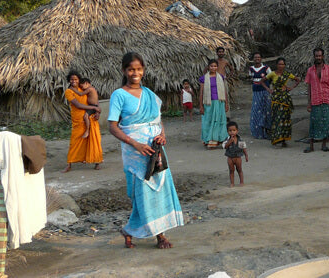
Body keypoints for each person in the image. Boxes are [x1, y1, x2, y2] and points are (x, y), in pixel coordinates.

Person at [108, 52, 183, 249]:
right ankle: (147, 233)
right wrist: (136, 144)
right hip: (135, 153)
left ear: (143, 70)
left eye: (139, 69)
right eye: (131, 69)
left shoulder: (150, 94)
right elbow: (113, 126)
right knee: (141, 193)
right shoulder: (119, 95)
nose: (135, 73)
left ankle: (157, 235)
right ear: (124, 70)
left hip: (155, 150)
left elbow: (158, 121)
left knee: (159, 191)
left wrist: (162, 136)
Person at [63, 71, 103, 172]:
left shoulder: (83, 88)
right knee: (75, 142)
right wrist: (94, 108)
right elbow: (78, 105)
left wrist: (97, 110)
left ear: (79, 80)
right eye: (72, 79)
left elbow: (94, 98)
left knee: (94, 140)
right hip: (78, 120)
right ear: (69, 80)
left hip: (91, 117)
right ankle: (69, 164)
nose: (74, 81)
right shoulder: (69, 91)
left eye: (76, 79)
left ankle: (97, 162)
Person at [304, 48, 329, 153]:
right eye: (316, 56)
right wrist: (308, 102)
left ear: (323, 56)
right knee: (313, 122)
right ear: (314, 57)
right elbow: (309, 87)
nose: (318, 57)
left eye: (320, 55)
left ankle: (324, 145)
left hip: (326, 99)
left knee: (326, 122)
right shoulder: (310, 70)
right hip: (315, 99)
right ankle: (311, 145)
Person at [264, 58, 301, 147]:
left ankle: (284, 140)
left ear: (284, 65)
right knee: (276, 118)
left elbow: (298, 80)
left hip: (285, 99)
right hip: (276, 99)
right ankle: (276, 139)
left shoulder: (287, 74)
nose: (281, 66)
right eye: (279, 64)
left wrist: (291, 87)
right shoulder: (272, 74)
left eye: (283, 64)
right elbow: (262, 81)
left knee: (285, 119)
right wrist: (269, 89)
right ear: (277, 65)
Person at [199, 59, 229, 149]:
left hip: (219, 102)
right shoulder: (204, 78)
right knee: (208, 121)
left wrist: (226, 104)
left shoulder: (221, 77)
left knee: (219, 121)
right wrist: (201, 106)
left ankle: (218, 139)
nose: (213, 68)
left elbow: (224, 91)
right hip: (208, 103)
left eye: (215, 66)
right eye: (211, 66)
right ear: (208, 67)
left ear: (217, 67)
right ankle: (209, 140)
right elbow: (201, 93)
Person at [248, 52, 272, 139]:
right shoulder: (251, 69)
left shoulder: (266, 68)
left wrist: (267, 87)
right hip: (256, 93)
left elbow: (271, 77)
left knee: (266, 110)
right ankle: (258, 132)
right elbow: (251, 79)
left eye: (259, 57)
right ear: (253, 59)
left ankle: (267, 130)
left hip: (265, 92)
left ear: (261, 58)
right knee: (256, 110)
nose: (257, 59)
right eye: (255, 57)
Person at [222, 121, 249, 187]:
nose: (232, 132)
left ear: (237, 131)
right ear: (227, 131)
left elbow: (243, 147)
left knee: (239, 170)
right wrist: (229, 142)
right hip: (230, 157)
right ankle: (232, 183)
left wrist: (246, 155)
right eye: (230, 131)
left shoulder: (240, 139)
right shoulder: (227, 139)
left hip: (238, 157)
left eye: (234, 130)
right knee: (231, 170)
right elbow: (225, 147)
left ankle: (241, 182)